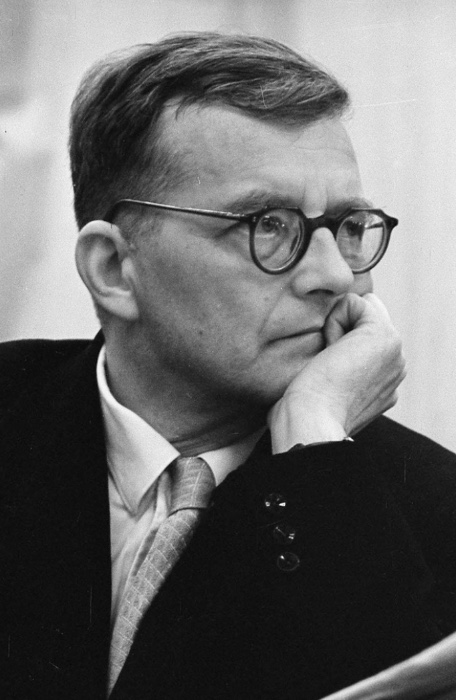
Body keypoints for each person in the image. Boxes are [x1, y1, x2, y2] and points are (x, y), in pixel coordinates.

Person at [1, 32, 455, 700]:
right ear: (114, 268)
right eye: (268, 225)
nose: (335, 275)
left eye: (349, 227)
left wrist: (313, 437)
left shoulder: (435, 513)